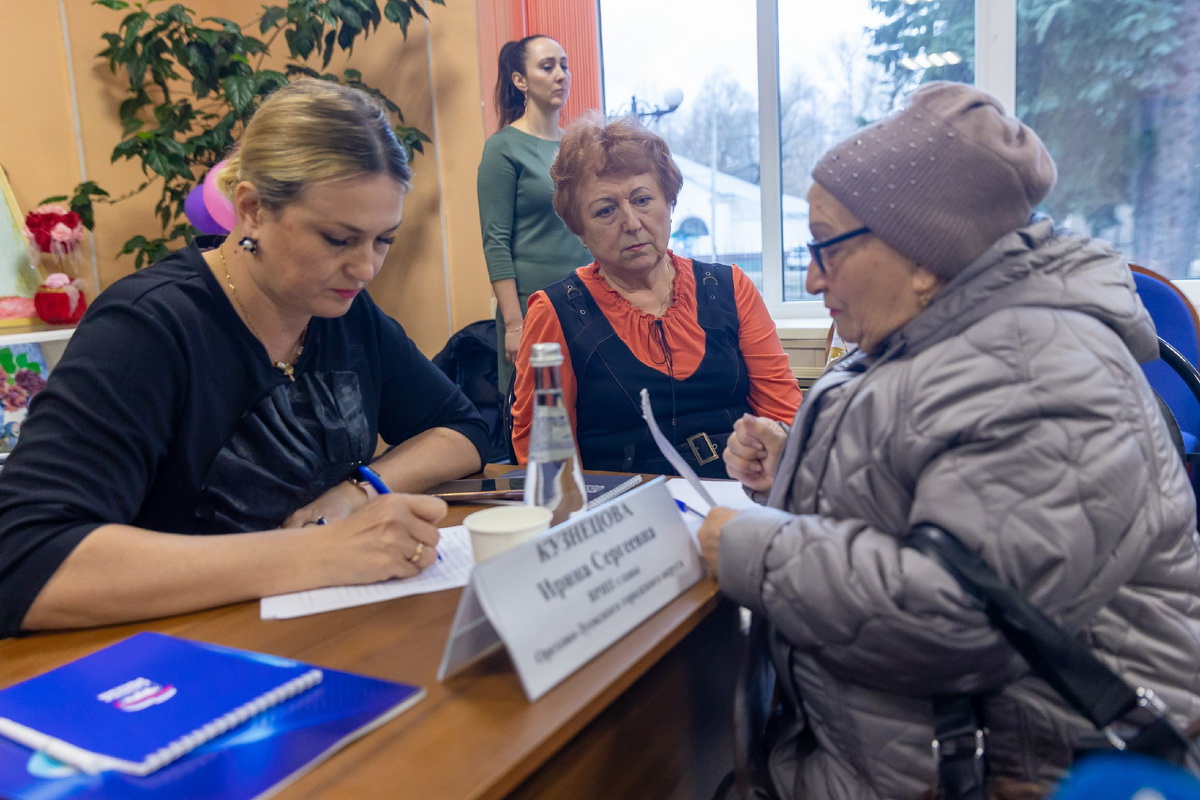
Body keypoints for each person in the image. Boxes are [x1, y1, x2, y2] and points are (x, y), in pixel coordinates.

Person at [697, 81, 1200, 798]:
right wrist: (797, 473)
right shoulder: (957, 335)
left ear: (925, 255)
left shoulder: (1040, 373)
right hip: (923, 751)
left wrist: (751, 547)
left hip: (1024, 774)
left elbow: (956, 614)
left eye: (826, 249)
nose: (811, 278)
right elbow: (933, 497)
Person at [0, 79, 490, 638]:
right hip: (166, 659)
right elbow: (23, 559)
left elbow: (462, 428)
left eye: (384, 240)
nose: (365, 269)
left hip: (310, 633)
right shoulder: (148, 328)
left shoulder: (343, 310)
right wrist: (316, 553)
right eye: (338, 239)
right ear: (252, 209)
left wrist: (358, 492)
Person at [511, 113, 800, 478]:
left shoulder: (732, 288)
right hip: (620, 511)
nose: (631, 223)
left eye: (642, 200)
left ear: (669, 203)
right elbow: (544, 460)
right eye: (606, 210)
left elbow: (783, 420)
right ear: (579, 230)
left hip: (736, 497)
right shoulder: (554, 313)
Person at [477, 35, 591, 394]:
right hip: (534, 310)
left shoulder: (577, 145)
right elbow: (495, 242)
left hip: (587, 301)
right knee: (541, 419)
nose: (561, 75)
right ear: (520, 80)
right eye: (547, 66)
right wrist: (514, 324)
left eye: (564, 65)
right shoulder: (503, 148)